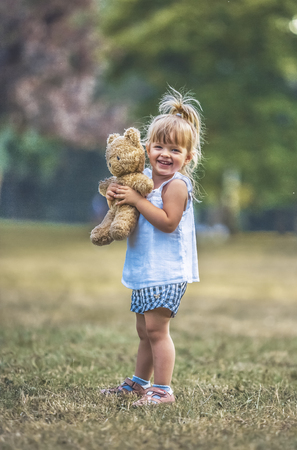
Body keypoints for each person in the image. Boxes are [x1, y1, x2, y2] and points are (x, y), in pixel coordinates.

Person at [101, 87, 203, 406]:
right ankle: (139, 383)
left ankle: (162, 390)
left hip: (168, 272)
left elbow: (168, 221)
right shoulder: (144, 179)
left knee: (158, 331)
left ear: (188, 157)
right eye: (159, 146)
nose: (165, 154)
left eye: (175, 150)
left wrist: (136, 200)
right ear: (147, 148)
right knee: (144, 331)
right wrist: (120, 198)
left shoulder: (177, 186)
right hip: (146, 268)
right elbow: (131, 206)